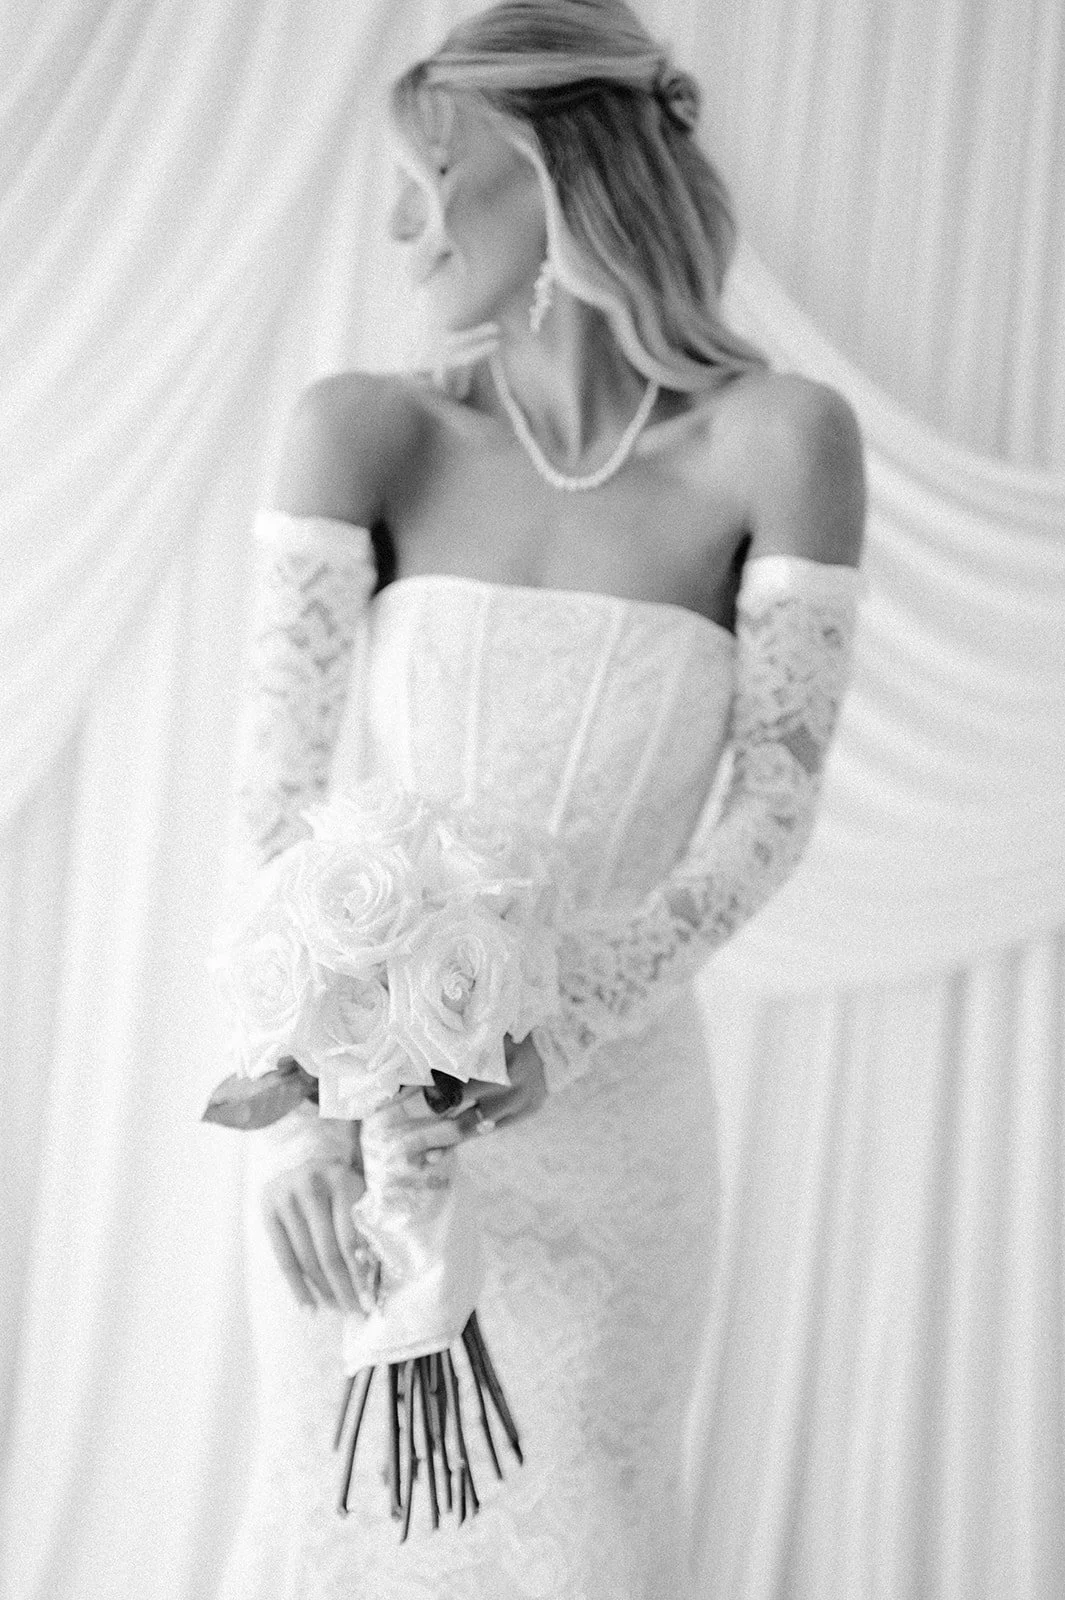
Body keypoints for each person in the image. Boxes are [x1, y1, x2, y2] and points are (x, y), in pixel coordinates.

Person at [216, 2, 866, 1596]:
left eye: (430, 173)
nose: (394, 222)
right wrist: (296, 1114)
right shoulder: (363, 431)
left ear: (555, 171)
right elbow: (275, 805)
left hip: (620, 1136)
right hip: (361, 1141)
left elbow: (769, 811)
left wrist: (562, 1018)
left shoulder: (780, 444)